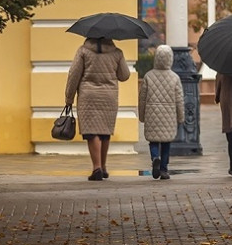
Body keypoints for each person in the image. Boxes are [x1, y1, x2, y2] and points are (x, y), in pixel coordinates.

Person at [65, 37, 131, 181]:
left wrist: (69, 98)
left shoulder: (83, 51)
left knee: (91, 131)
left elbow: (73, 75)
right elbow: (124, 75)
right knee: (104, 131)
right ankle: (103, 166)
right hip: (109, 96)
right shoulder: (117, 53)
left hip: (88, 96)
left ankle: (97, 168)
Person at [138, 45, 184, 180]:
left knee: (153, 141)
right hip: (169, 116)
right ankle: (163, 169)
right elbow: (179, 100)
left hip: (152, 114)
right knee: (166, 143)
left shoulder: (148, 76)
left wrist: (142, 116)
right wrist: (180, 117)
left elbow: (142, 98)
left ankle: (154, 158)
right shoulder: (175, 78)